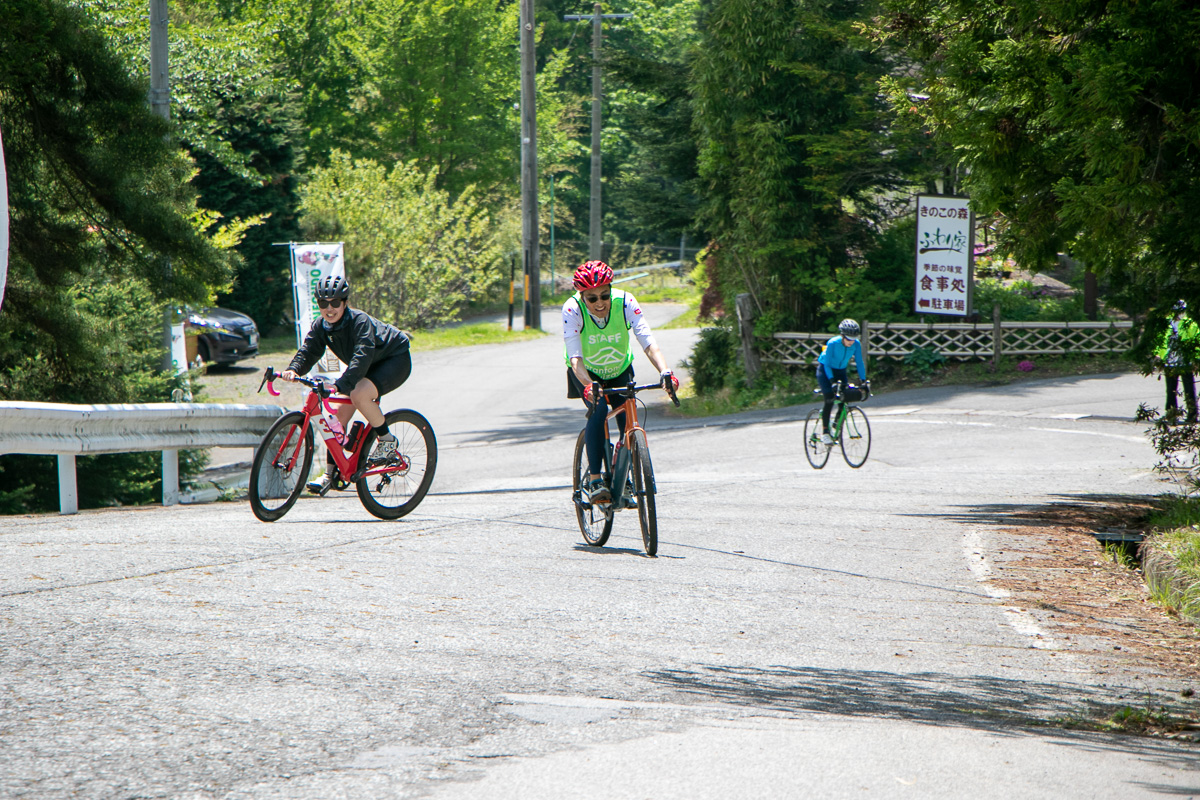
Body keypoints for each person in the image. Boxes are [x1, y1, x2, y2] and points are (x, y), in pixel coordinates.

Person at [279, 275, 413, 493]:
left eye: (335, 303)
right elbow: (309, 351)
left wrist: (340, 385)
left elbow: (361, 357)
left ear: (344, 303)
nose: (329, 309)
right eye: (323, 304)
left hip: (394, 359)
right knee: (338, 416)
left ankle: (387, 440)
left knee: (358, 395)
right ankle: (330, 474)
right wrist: (293, 369)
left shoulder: (360, 322)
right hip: (367, 365)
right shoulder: (321, 325)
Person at [564, 260, 679, 505]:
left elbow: (647, 341)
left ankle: (622, 476)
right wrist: (588, 384)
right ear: (582, 297)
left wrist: (665, 371)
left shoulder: (625, 302)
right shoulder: (572, 309)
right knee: (600, 410)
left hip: (619, 368)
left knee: (628, 421)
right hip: (587, 372)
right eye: (591, 298)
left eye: (604, 295)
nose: (599, 303)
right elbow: (575, 358)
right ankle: (595, 480)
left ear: (611, 290)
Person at [816, 319, 869, 444]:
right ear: (842, 336)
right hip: (825, 371)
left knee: (844, 399)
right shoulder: (833, 343)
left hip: (841, 371)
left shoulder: (856, 344)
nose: (851, 341)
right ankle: (825, 433)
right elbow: (827, 364)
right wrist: (832, 381)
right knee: (829, 398)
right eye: (848, 338)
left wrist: (864, 380)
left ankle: (835, 424)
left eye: (853, 338)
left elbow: (860, 363)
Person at [1156, 300, 1199, 423]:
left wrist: (1196, 358)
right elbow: (1160, 341)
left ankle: (1192, 414)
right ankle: (1171, 413)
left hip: (1185, 362)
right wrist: (1158, 355)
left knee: (1189, 389)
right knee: (1170, 389)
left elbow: (1197, 342)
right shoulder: (1166, 323)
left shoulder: (1190, 324)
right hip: (1170, 362)